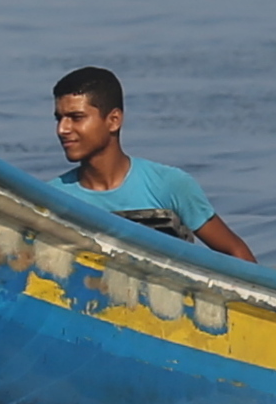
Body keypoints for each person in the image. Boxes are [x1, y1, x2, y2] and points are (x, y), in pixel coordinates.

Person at [52, 66, 254, 260]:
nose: (62, 129)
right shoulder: (51, 198)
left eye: (76, 117)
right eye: (59, 118)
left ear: (114, 120)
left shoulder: (169, 185)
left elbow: (236, 252)